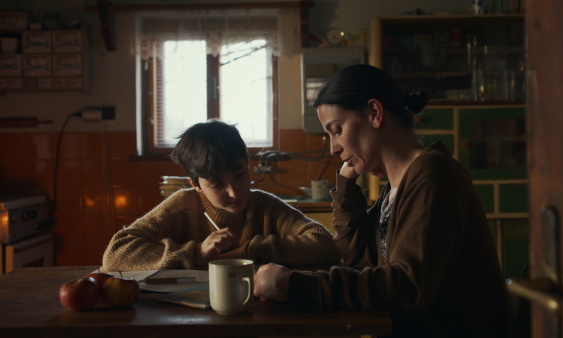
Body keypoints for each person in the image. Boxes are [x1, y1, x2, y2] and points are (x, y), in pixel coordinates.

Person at [253, 64, 520, 337]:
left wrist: (295, 286)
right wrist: (345, 186)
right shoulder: (396, 185)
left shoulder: (432, 175)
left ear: (374, 113)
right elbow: (359, 258)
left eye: (337, 129)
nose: (333, 147)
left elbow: (406, 288)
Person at [102, 120, 341, 271]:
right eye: (217, 184)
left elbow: (324, 243)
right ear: (194, 183)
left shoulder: (266, 207)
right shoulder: (183, 205)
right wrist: (198, 253)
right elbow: (117, 253)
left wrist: (249, 250)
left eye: (239, 175)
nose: (235, 192)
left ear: (247, 160)